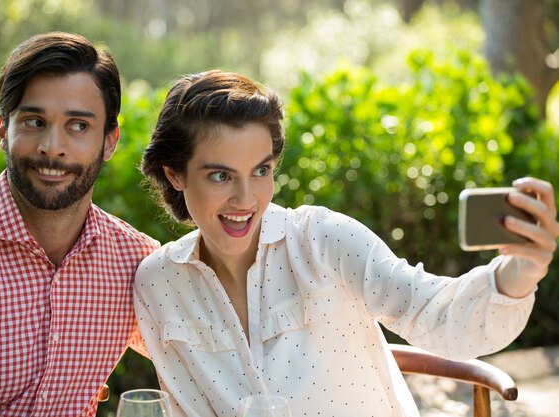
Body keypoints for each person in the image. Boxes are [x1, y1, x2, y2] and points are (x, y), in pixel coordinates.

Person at [133, 70, 559, 417]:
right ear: (175, 174)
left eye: (261, 171)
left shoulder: (323, 240)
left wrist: (517, 274)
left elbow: (433, 313)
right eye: (221, 176)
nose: (246, 200)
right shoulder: (159, 282)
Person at [0, 32, 159, 416]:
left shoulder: (137, 262)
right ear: (4, 131)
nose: (52, 147)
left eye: (79, 126)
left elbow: (210, 363)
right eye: (35, 121)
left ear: (110, 140)